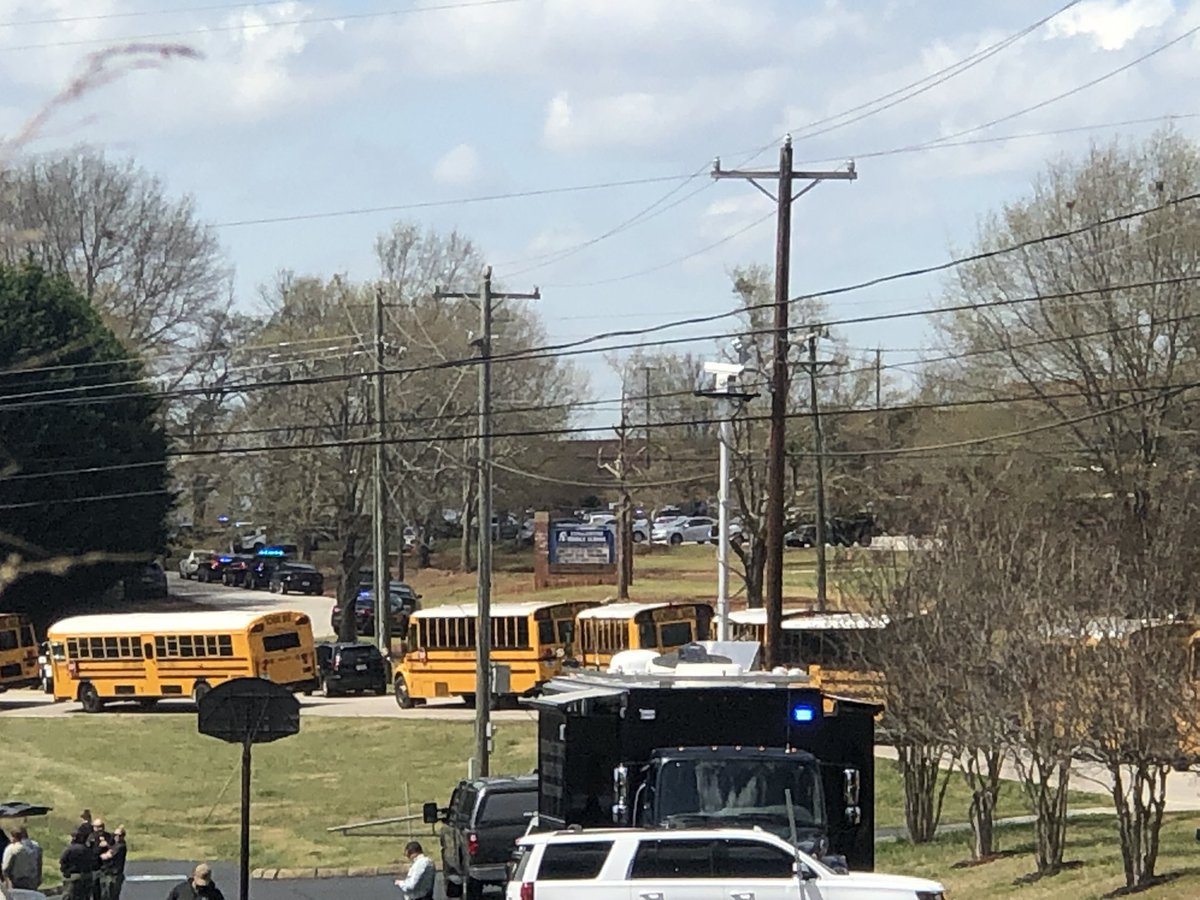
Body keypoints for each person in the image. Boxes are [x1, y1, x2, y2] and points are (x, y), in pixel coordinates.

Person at [60, 831, 97, 900]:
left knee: (68, 895)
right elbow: (93, 861)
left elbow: (63, 861)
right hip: (86, 875)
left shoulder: (69, 849)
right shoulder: (87, 850)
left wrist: (65, 871)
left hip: (72, 876)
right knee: (84, 896)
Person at [86, 819, 114, 900]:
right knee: (95, 889)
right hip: (95, 867)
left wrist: (107, 845)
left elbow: (115, 849)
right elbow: (88, 851)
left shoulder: (108, 836)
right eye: (98, 827)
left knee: (106, 890)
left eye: (102, 826)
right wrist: (99, 848)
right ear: (94, 828)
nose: (100, 829)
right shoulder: (91, 837)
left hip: (106, 868)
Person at [97, 826, 127, 900]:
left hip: (115, 875)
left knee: (112, 895)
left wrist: (98, 855)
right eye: (115, 835)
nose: (116, 837)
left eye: (119, 835)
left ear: (123, 836)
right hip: (109, 873)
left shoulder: (120, 846)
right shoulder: (115, 845)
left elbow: (107, 856)